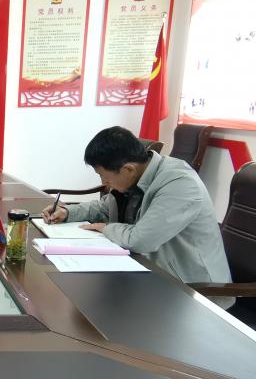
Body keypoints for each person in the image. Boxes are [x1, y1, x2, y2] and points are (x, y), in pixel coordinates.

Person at [41, 126, 232, 297]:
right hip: (150, 273)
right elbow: (105, 207)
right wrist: (68, 212)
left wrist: (105, 228)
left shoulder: (180, 184)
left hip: (193, 290)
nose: (105, 184)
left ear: (128, 169)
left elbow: (140, 240)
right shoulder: (138, 175)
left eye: (105, 178)